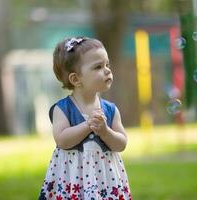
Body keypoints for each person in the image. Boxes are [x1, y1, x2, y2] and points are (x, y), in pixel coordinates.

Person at [39, 37, 132, 200]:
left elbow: (121, 144)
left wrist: (105, 132)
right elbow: (62, 140)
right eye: (98, 67)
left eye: (107, 65)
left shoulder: (110, 110)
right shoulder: (63, 109)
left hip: (105, 180)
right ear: (76, 79)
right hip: (73, 179)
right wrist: (87, 125)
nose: (107, 70)